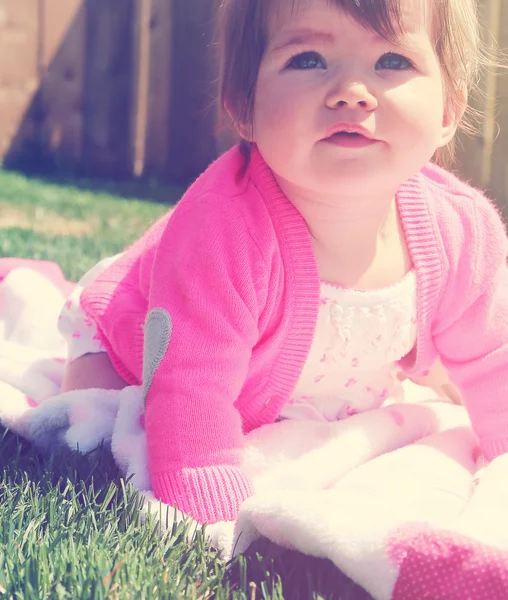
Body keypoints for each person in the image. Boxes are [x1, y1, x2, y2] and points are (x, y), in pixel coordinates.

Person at [58, 0, 508, 524]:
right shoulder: (224, 233)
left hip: (324, 385)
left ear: (450, 110)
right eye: (309, 59)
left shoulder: (461, 233)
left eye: (392, 61)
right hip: (146, 336)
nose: (352, 92)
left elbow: (493, 360)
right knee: (95, 416)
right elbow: (189, 390)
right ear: (243, 107)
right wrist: (217, 518)